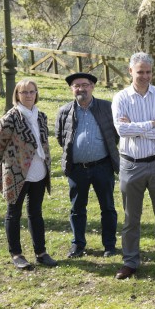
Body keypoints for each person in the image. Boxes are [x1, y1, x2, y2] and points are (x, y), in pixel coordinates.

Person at [112, 52, 155, 280]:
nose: (145, 76)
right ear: (131, 72)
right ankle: (130, 261)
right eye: (140, 72)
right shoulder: (120, 98)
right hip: (131, 165)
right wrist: (151, 124)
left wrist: (136, 128)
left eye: (148, 72)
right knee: (131, 218)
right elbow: (121, 130)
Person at [0, 79, 58, 270]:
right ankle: (17, 254)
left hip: (38, 171)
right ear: (17, 95)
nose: (28, 95)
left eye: (31, 92)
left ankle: (41, 252)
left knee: (36, 212)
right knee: (14, 213)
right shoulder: (11, 117)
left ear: (36, 94)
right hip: (17, 172)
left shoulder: (41, 116)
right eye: (23, 92)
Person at [55, 72, 120, 259]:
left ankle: (109, 245)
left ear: (92, 87)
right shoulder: (65, 111)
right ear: (71, 89)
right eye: (76, 85)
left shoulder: (107, 108)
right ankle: (78, 245)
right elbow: (61, 137)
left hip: (102, 166)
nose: (81, 88)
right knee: (77, 209)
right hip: (77, 169)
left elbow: (114, 135)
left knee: (107, 207)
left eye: (85, 84)